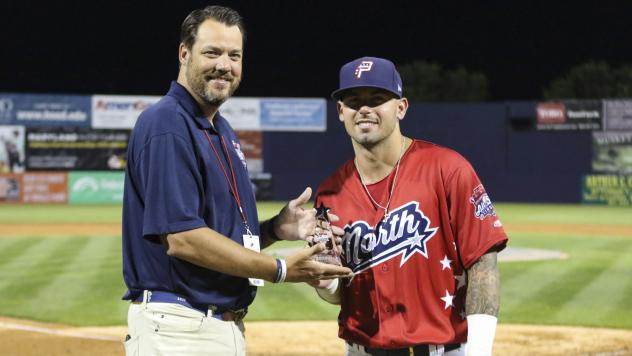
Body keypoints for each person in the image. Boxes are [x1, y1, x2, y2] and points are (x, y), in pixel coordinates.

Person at [121, 6, 352, 356]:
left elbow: (223, 236)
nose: (224, 65)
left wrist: (275, 228)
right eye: (211, 52)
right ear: (184, 54)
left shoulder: (220, 129)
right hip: (180, 329)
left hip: (211, 325)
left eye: (234, 55)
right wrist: (278, 268)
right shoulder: (167, 124)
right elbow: (183, 239)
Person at [311, 57, 508, 356]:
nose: (364, 109)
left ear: (401, 107)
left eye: (377, 99)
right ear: (341, 112)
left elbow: (483, 262)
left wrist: (480, 352)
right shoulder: (330, 194)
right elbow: (339, 294)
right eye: (353, 101)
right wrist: (325, 284)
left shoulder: (448, 169)